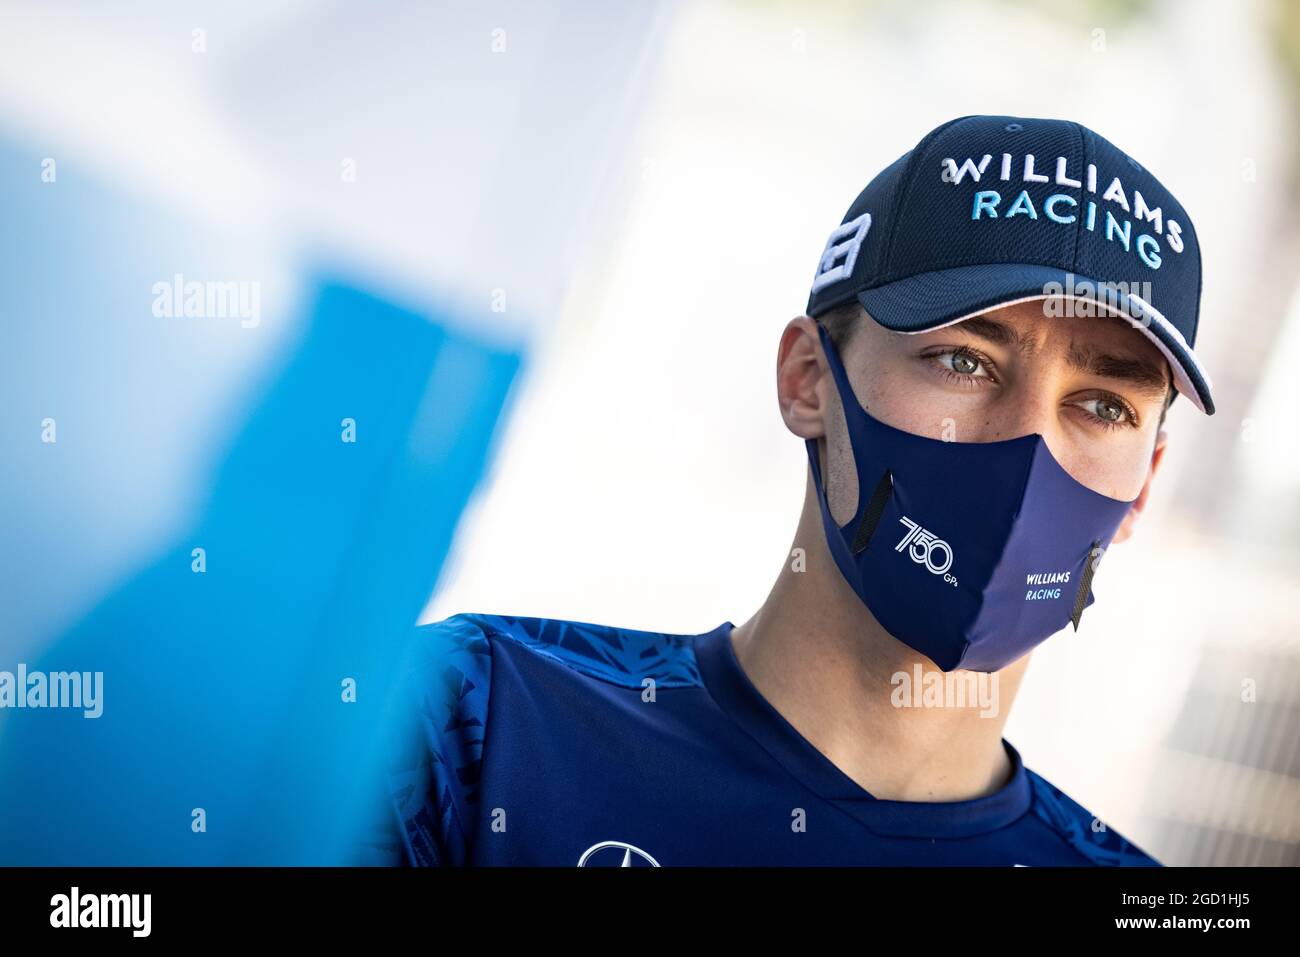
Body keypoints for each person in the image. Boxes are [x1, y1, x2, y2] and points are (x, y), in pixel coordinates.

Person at [382, 115, 1214, 866]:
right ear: (808, 379)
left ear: (1145, 486)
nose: (1026, 444)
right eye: (964, 361)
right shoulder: (476, 727)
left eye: (1104, 405)